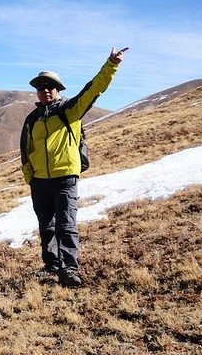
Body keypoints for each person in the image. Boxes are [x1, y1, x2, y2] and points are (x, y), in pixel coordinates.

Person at [20, 46, 128, 288]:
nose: (45, 90)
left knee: (66, 225)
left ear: (58, 89)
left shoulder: (69, 111)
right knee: (46, 226)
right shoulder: (32, 119)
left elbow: (94, 89)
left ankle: (69, 269)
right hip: (40, 181)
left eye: (50, 86)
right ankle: (51, 265)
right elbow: (25, 151)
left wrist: (111, 64)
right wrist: (31, 177)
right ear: (36, 92)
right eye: (40, 87)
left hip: (65, 177)